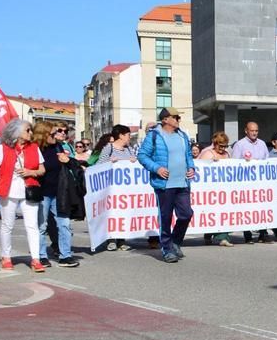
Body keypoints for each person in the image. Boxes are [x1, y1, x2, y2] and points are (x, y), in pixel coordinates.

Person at [136, 107, 196, 263]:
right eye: (175, 117)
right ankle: (167, 249)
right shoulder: (154, 136)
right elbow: (142, 155)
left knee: (186, 214)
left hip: (182, 183)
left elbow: (188, 155)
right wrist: (157, 168)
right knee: (166, 217)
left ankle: (175, 241)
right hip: (164, 184)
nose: (178, 120)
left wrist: (191, 168)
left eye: (178, 117)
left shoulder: (182, 135)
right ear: (165, 120)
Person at [0, 119, 46, 272]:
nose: (31, 133)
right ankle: (6, 257)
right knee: (7, 225)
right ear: (16, 132)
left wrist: (31, 172)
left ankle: (35, 259)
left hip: (30, 189)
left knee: (32, 226)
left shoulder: (34, 147)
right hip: (8, 190)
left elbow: (42, 169)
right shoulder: (2, 148)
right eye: (28, 130)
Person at [34, 121, 81, 267]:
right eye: (54, 133)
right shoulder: (36, 149)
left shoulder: (58, 146)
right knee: (42, 226)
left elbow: (66, 164)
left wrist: (67, 161)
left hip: (59, 192)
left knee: (64, 224)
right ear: (44, 134)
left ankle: (65, 255)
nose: (57, 135)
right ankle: (41, 256)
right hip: (43, 192)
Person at [95, 126, 137, 251]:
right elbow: (98, 165)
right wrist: (110, 161)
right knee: (112, 214)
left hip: (125, 189)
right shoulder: (109, 148)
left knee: (123, 214)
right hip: (111, 189)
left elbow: (135, 163)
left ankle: (121, 240)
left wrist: (134, 161)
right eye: (128, 135)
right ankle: (111, 239)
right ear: (121, 135)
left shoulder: (129, 149)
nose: (130, 137)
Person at [231, 121, 270, 243]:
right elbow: (234, 164)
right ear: (246, 131)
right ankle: (247, 235)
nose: (254, 133)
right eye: (252, 130)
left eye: (256, 131)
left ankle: (263, 234)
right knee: (247, 209)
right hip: (246, 183)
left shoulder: (262, 143)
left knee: (262, 208)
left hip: (260, 182)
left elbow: (267, 162)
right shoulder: (240, 144)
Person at [199, 133, 233, 247]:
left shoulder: (227, 154)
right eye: (221, 146)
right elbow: (200, 170)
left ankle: (221, 236)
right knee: (213, 213)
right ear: (215, 144)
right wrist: (210, 163)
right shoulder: (207, 154)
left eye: (225, 146)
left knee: (224, 213)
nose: (223, 149)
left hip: (224, 189)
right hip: (211, 190)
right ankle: (212, 234)